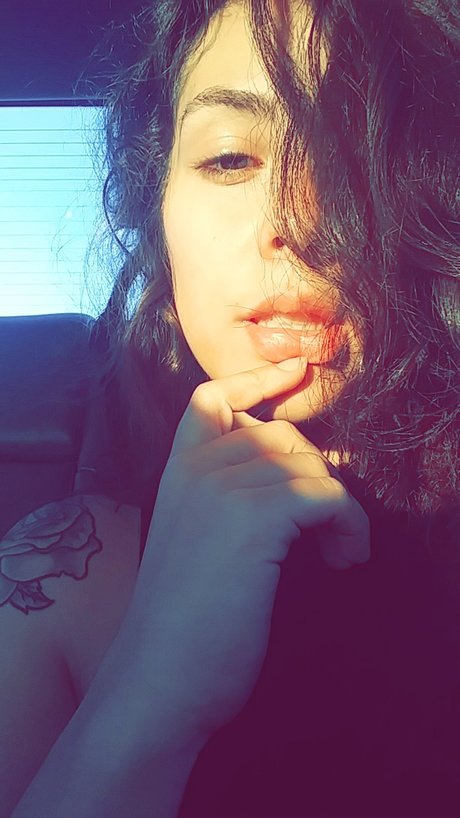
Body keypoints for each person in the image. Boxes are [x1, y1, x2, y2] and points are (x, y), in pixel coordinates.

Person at [2, 0, 459, 816]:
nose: (298, 221)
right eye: (228, 158)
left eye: (363, 155)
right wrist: (147, 695)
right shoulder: (57, 577)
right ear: (159, 210)